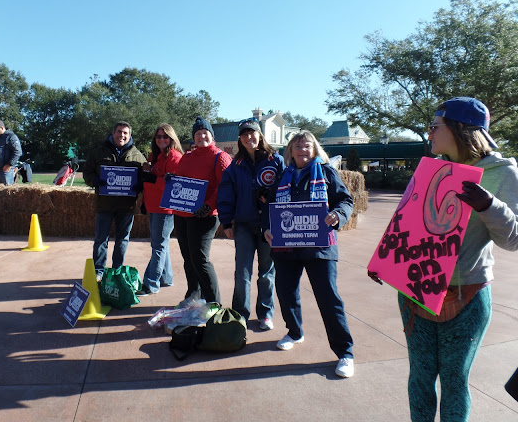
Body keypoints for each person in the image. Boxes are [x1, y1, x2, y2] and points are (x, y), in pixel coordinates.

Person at [373, 97, 518, 421]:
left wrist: (489, 206)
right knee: (420, 378)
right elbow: (407, 225)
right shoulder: (431, 168)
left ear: (460, 128)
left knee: (454, 380)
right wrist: (386, 261)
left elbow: (512, 241)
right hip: (416, 292)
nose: (429, 133)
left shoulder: (502, 172)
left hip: (467, 294)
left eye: (434, 126)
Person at [262, 131, 355, 378]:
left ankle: (345, 353)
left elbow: (345, 201)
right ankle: (294, 332)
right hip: (287, 247)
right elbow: (269, 207)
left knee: (328, 298)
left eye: (307, 146)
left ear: (314, 150)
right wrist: (267, 228)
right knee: (286, 293)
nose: (302, 150)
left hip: (320, 246)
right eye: (298, 146)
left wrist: (338, 215)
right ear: (290, 151)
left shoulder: (326, 173)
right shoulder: (283, 176)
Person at [217, 118, 284, 330]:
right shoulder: (235, 166)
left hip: (269, 225)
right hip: (244, 224)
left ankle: (265, 313)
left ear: (259, 135)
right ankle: (240, 314)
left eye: (252, 133)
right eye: (244, 134)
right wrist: (226, 222)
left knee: (267, 272)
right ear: (240, 139)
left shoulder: (276, 161)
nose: (249, 137)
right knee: (242, 272)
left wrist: (270, 196)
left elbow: (286, 189)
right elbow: (226, 195)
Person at [173, 117, 232, 306]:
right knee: (188, 258)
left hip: (205, 216)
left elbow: (225, 186)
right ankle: (194, 294)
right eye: (197, 134)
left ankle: (213, 302)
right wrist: (171, 180)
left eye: (205, 133)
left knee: (200, 259)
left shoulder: (220, 157)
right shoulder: (188, 156)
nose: (201, 136)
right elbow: (180, 179)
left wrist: (209, 205)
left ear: (211, 135)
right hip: (183, 214)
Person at [83, 121, 147, 279]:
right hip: (104, 204)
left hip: (127, 206)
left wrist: (139, 185)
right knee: (101, 239)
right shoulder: (99, 152)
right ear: (113, 133)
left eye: (125, 133)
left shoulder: (138, 156)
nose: (122, 135)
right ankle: (98, 271)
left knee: (122, 240)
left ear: (130, 136)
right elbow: (87, 173)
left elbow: (144, 178)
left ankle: (117, 271)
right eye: (119, 132)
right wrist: (95, 181)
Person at [137, 123, 184, 296]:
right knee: (161, 244)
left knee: (158, 246)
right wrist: (144, 201)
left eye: (165, 136)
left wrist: (151, 177)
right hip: (153, 206)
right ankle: (166, 277)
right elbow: (151, 181)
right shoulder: (155, 156)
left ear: (171, 138)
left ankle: (150, 284)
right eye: (158, 136)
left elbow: (173, 186)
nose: (162, 139)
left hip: (165, 209)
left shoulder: (174, 157)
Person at [0, 120, 22, 185]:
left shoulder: (11, 137)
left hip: (6, 170)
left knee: (7, 189)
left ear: (2, 128)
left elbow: (18, 152)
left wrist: (9, 164)